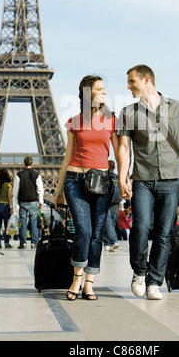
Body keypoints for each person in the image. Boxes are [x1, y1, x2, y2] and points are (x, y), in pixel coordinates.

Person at [117, 64, 179, 300]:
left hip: (171, 179)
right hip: (143, 179)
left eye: (131, 81)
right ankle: (139, 271)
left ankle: (154, 282)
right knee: (139, 227)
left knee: (164, 233)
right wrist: (122, 176)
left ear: (146, 79)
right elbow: (124, 148)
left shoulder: (177, 107)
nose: (128, 86)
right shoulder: (128, 112)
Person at [54, 75, 119, 301]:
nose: (104, 92)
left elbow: (119, 153)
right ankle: (77, 278)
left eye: (104, 88)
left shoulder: (112, 119)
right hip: (74, 179)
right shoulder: (74, 121)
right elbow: (67, 156)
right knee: (84, 230)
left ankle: (89, 283)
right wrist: (58, 188)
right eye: (100, 89)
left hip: (102, 181)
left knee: (97, 235)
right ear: (87, 93)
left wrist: (126, 179)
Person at [13, 156, 44, 249]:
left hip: (23, 201)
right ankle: (34, 243)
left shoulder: (19, 175)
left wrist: (16, 201)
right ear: (32, 164)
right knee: (33, 222)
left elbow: (15, 190)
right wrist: (41, 201)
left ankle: (23, 243)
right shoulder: (36, 175)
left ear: (24, 164)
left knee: (23, 222)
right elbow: (40, 190)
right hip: (34, 202)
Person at [0, 168, 14, 248]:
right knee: (6, 226)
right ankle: (6, 243)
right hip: (5, 206)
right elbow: (9, 197)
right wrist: (12, 207)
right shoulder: (8, 185)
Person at [104, 160, 121, 252]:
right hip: (116, 201)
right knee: (111, 223)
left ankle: (107, 243)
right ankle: (113, 241)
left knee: (109, 223)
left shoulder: (106, 177)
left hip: (107, 201)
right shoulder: (117, 177)